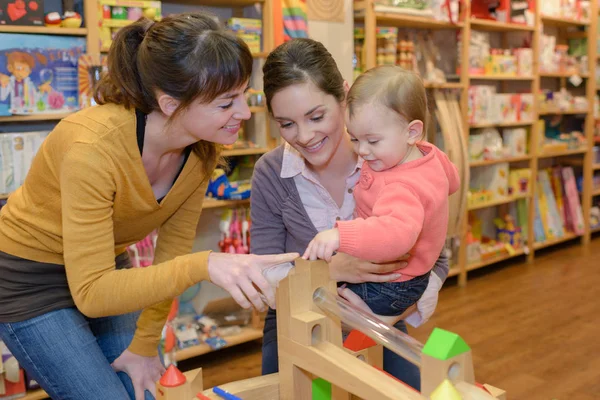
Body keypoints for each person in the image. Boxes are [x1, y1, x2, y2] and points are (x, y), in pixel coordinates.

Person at [0, 13, 297, 400]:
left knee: (142, 390)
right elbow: (92, 292)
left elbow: (168, 256)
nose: (244, 112)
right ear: (171, 103)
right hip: (29, 280)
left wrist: (144, 346)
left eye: (244, 94)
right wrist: (205, 264)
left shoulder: (202, 151)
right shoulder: (91, 148)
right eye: (227, 103)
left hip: (104, 269)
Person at [250, 38, 450, 390]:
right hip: (298, 318)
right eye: (287, 124)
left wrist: (399, 307)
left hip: (378, 314)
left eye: (316, 116)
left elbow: (436, 250)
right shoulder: (270, 173)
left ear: (344, 96)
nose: (305, 136)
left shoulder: (390, 155)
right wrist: (332, 270)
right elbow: (266, 276)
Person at [303, 65, 460, 318]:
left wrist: (340, 236)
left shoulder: (400, 187)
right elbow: (453, 181)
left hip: (390, 286)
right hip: (411, 275)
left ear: (411, 132)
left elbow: (395, 237)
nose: (362, 151)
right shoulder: (429, 154)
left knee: (322, 307)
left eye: (373, 141)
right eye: (354, 139)